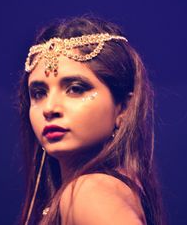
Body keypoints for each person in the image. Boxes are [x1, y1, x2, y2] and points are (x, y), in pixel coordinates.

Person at [18, 16, 165, 225]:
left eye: (76, 89)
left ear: (124, 108)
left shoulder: (87, 191)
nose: (49, 109)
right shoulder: (116, 187)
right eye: (39, 93)